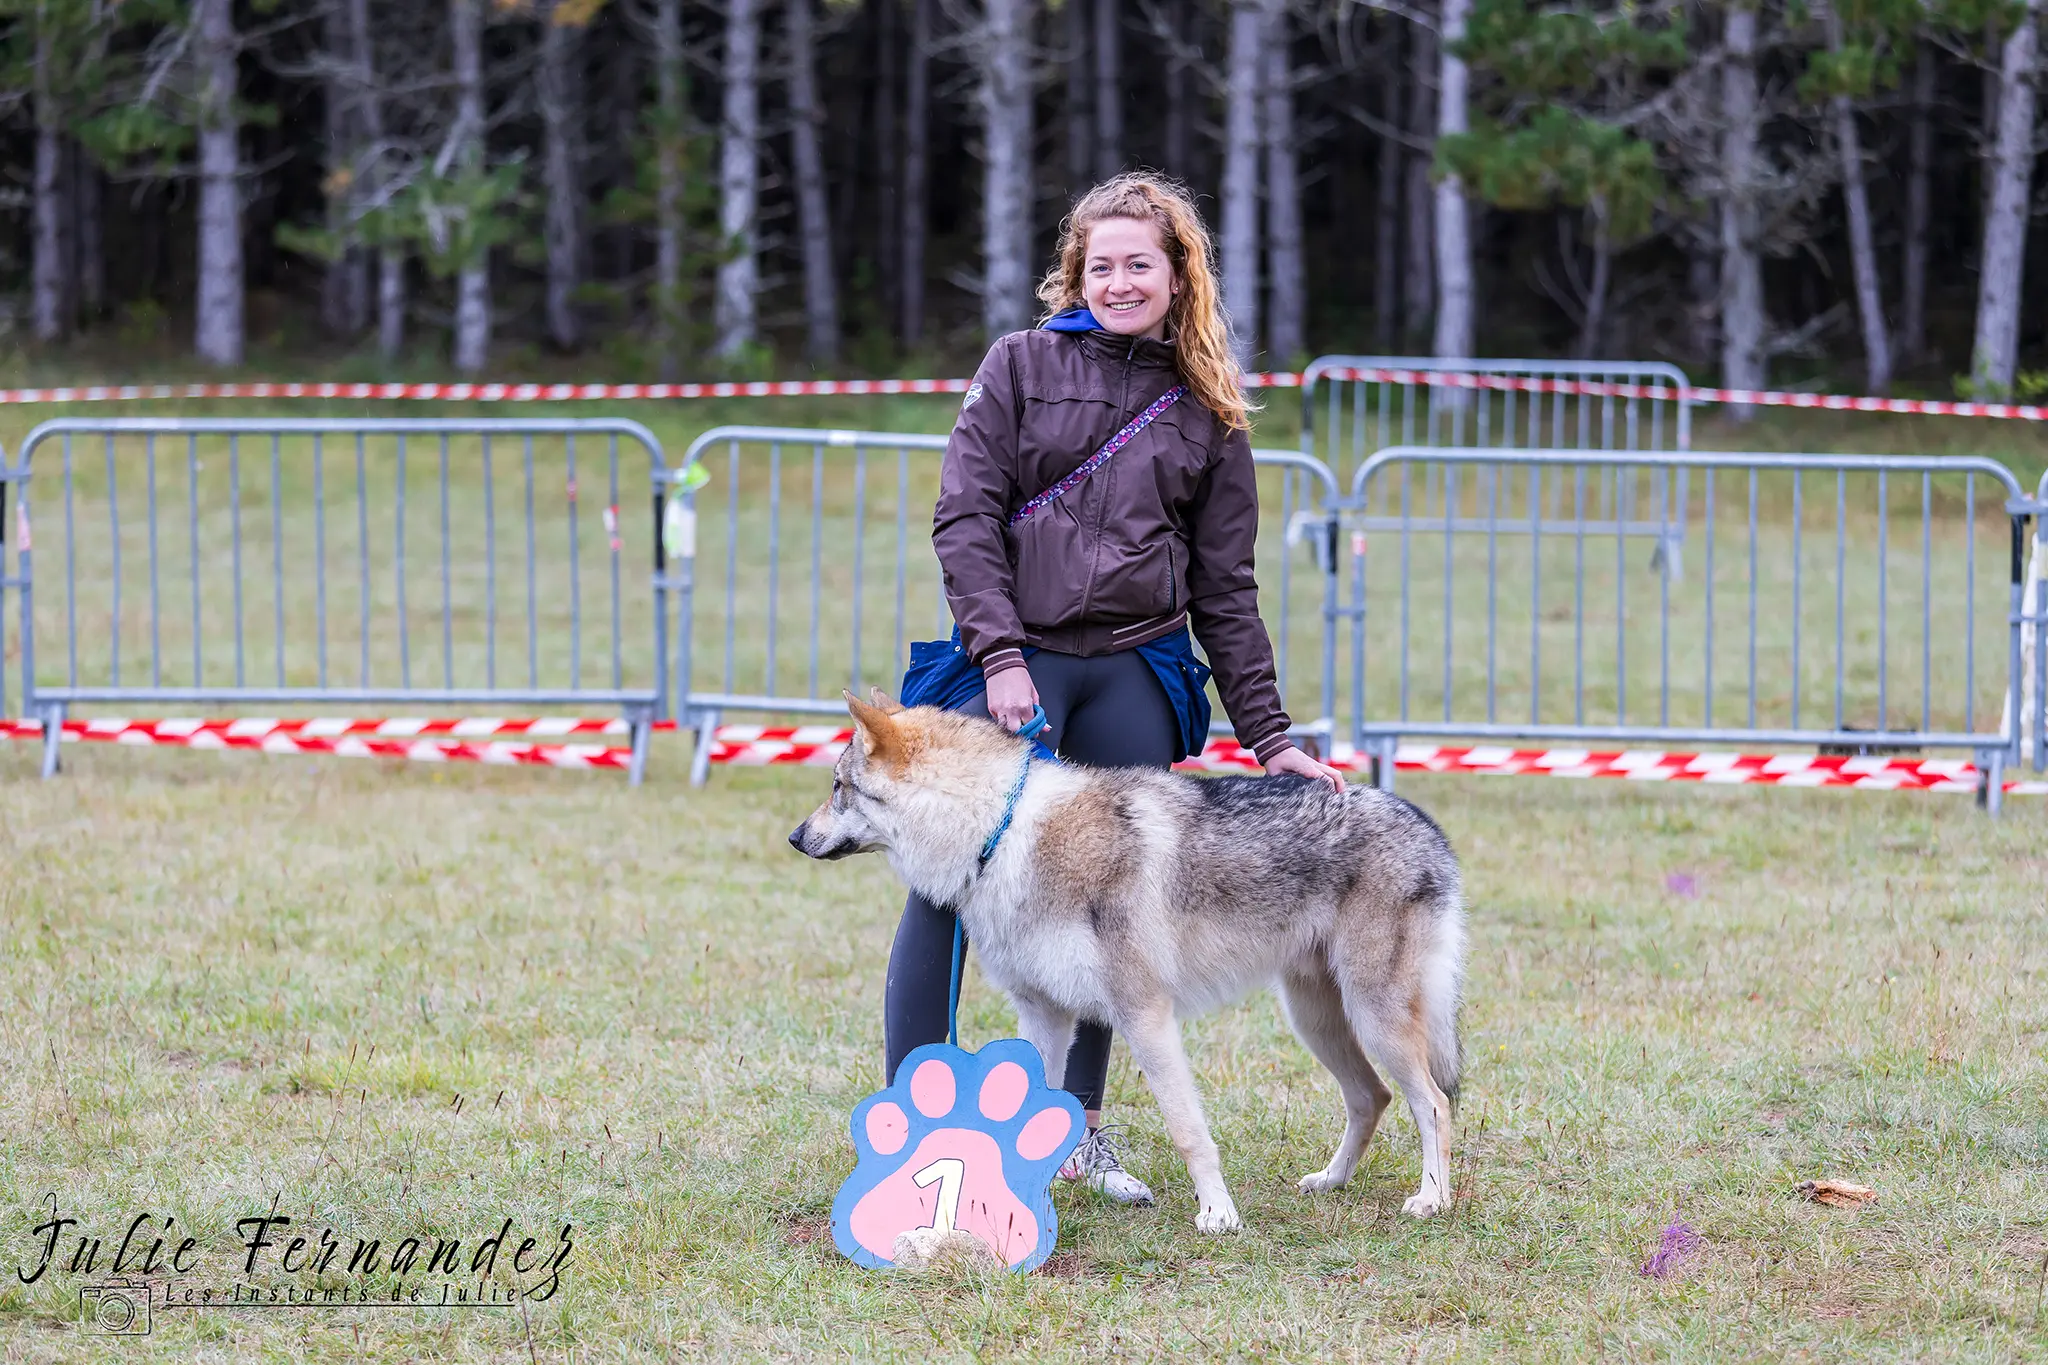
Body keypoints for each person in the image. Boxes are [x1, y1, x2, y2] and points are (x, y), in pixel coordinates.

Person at [886, 172, 1345, 1205]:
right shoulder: (1013, 366)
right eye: (1103, 265)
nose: (1121, 281)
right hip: (1014, 662)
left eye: (1141, 263)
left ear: (1178, 275)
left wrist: (1270, 740)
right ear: (1074, 272)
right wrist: (999, 660)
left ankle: (1070, 1132)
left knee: (1104, 914)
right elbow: (964, 519)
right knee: (938, 892)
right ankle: (911, 1122)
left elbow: (1226, 589)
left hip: (1136, 671)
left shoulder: (1208, 407)